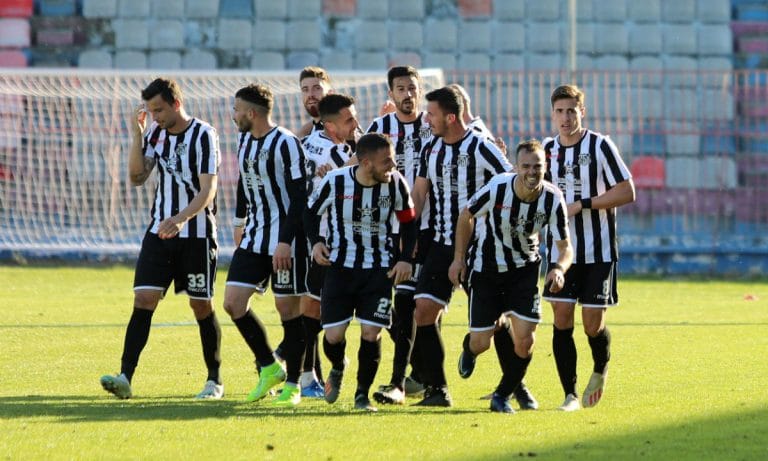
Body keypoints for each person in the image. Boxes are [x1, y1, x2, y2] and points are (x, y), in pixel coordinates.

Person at [100, 78, 222, 400]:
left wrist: (181, 219)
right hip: (159, 232)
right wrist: (137, 135)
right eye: (150, 110)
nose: (154, 116)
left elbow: (208, 190)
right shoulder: (153, 133)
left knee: (200, 306)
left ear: (176, 104)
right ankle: (125, 376)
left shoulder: (204, 135)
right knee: (143, 301)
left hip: (195, 233)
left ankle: (214, 380)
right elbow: (136, 177)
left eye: (159, 110)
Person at [448, 139, 573, 413]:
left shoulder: (553, 198)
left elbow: (566, 248)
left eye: (537, 166)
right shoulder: (498, 187)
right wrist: (458, 258)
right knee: (482, 341)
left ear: (546, 166)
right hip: (487, 269)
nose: (532, 172)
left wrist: (558, 269)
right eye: (526, 166)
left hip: (524, 271)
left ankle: (502, 396)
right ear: (517, 167)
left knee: (525, 340)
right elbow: (467, 214)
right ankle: (470, 350)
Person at [409, 86, 513, 407]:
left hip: (479, 246)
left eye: (432, 114)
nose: (427, 119)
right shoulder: (430, 149)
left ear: (450, 117)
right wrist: (408, 238)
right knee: (424, 311)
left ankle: (512, 384)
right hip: (441, 243)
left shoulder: (482, 148)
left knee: (496, 320)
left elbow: (510, 185)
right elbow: (419, 194)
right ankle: (438, 390)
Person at [305, 132, 417, 412]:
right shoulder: (336, 181)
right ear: (366, 163)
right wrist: (316, 243)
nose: (392, 167)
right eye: (386, 162)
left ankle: (361, 396)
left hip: (378, 271)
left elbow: (409, 222)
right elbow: (309, 213)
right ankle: (339, 365)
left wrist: (405, 259)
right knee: (332, 336)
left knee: (371, 333)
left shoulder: (396, 184)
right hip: (339, 269)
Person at [542, 84, 635, 411]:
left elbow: (627, 191)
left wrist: (582, 204)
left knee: (592, 324)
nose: (565, 118)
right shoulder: (546, 149)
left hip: (600, 252)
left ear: (582, 111)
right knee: (562, 316)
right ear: (552, 114)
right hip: (559, 254)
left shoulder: (600, 145)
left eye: (571, 110)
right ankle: (569, 395)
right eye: (559, 111)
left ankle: (600, 367)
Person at [448, 83, 537, 410]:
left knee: (518, 330)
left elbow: (515, 180)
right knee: (492, 330)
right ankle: (471, 349)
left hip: (511, 254)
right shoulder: (431, 142)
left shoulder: (482, 140)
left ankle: (516, 387)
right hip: (476, 251)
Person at [223, 83, 308, 407]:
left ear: (252, 113)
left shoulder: (286, 143)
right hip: (255, 237)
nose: (233, 116)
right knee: (233, 303)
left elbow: (300, 196)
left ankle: (294, 386)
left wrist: (285, 242)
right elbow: (246, 185)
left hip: (286, 241)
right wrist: (239, 223)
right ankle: (270, 367)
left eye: (236, 110)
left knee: (288, 310)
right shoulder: (244, 140)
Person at [365, 66, 433, 405]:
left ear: (420, 91)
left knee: (407, 305)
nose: (407, 94)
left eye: (412, 87)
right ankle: (421, 371)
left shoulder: (432, 126)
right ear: (390, 94)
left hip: (423, 229)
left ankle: (398, 383)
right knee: (383, 305)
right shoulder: (380, 128)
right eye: (400, 89)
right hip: (382, 232)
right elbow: (360, 165)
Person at [298, 93, 358, 397]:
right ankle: (307, 375)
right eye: (349, 120)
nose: (355, 124)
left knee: (315, 308)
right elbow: (354, 170)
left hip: (321, 238)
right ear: (331, 125)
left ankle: (310, 372)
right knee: (313, 309)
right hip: (324, 240)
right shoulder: (333, 153)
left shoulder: (311, 142)